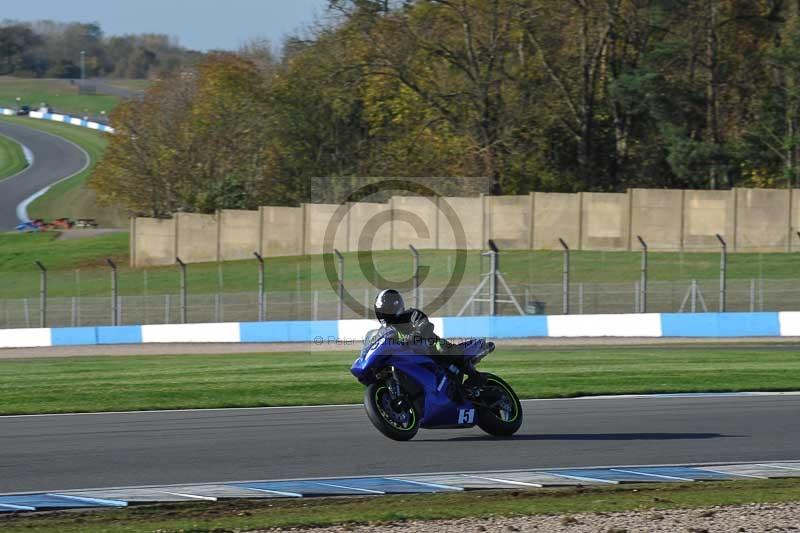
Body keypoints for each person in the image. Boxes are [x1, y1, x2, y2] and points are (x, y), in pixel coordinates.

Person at [373, 289, 494, 374]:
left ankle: (474, 376)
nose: (385, 314)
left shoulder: (411, 314)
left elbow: (426, 325)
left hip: (430, 346)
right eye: (382, 311)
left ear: (396, 307)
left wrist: (414, 335)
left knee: (441, 347)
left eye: (387, 310)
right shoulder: (383, 331)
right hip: (409, 357)